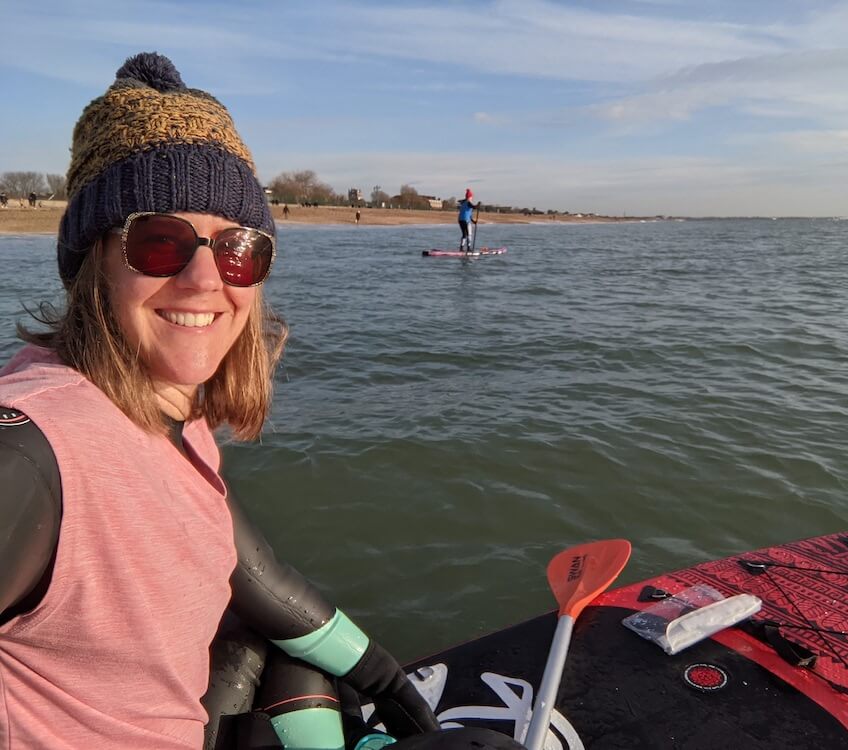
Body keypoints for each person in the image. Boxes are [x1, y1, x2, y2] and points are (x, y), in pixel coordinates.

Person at [0, 53, 523, 750]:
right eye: (160, 243)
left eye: (237, 249)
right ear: (93, 257)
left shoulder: (168, 411)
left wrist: (383, 675)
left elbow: (247, 565)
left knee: (284, 651)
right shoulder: (33, 451)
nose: (203, 281)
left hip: (189, 714)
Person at [457, 189, 480, 253]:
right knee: (469, 234)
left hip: (460, 220)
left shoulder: (464, 202)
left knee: (464, 234)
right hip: (465, 220)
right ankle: (469, 248)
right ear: (470, 197)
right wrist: (478, 205)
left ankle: (461, 248)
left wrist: (473, 221)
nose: (472, 198)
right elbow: (474, 207)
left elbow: (468, 214)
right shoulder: (468, 202)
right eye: (471, 197)